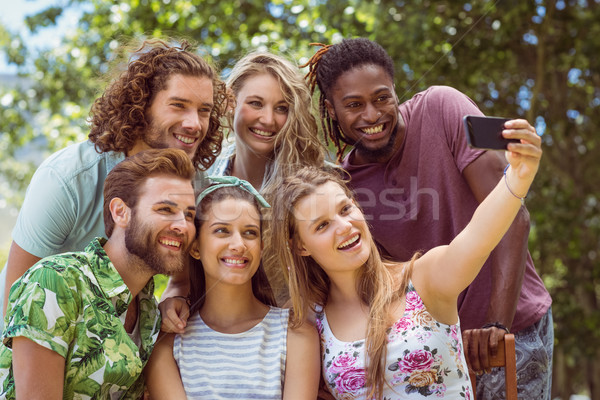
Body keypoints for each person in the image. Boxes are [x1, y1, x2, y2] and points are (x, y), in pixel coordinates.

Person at [302, 38, 553, 399]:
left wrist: (496, 324)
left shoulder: (441, 107)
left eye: (382, 98)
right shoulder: (344, 190)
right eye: (354, 105)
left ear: (395, 90)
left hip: (514, 325)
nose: (371, 115)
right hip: (435, 345)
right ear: (331, 109)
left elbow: (513, 216)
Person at [270, 122, 541, 399]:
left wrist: (517, 179)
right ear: (300, 246)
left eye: (345, 209)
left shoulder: (423, 280)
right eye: (322, 225)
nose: (344, 226)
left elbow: (479, 236)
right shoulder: (310, 320)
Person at [1, 38, 227, 324]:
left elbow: (183, 278)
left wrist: (174, 301)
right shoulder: (69, 179)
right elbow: (17, 301)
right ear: (142, 106)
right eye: (178, 105)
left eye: (204, 111)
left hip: (116, 354)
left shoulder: (195, 187)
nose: (195, 124)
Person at [0, 148, 197, 399]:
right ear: (120, 212)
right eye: (165, 210)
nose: (182, 225)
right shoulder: (54, 283)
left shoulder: (150, 315)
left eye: (189, 215)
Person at [160, 51, 328, 318]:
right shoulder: (200, 182)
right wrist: (172, 304)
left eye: (282, 108)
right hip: (217, 328)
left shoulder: (311, 182)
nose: (268, 119)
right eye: (256, 103)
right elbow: (180, 281)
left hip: (297, 326)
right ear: (230, 102)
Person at [145, 176, 320, 399]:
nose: (239, 245)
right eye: (222, 231)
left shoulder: (295, 333)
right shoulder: (167, 344)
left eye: (250, 233)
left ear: (261, 247)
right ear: (195, 247)